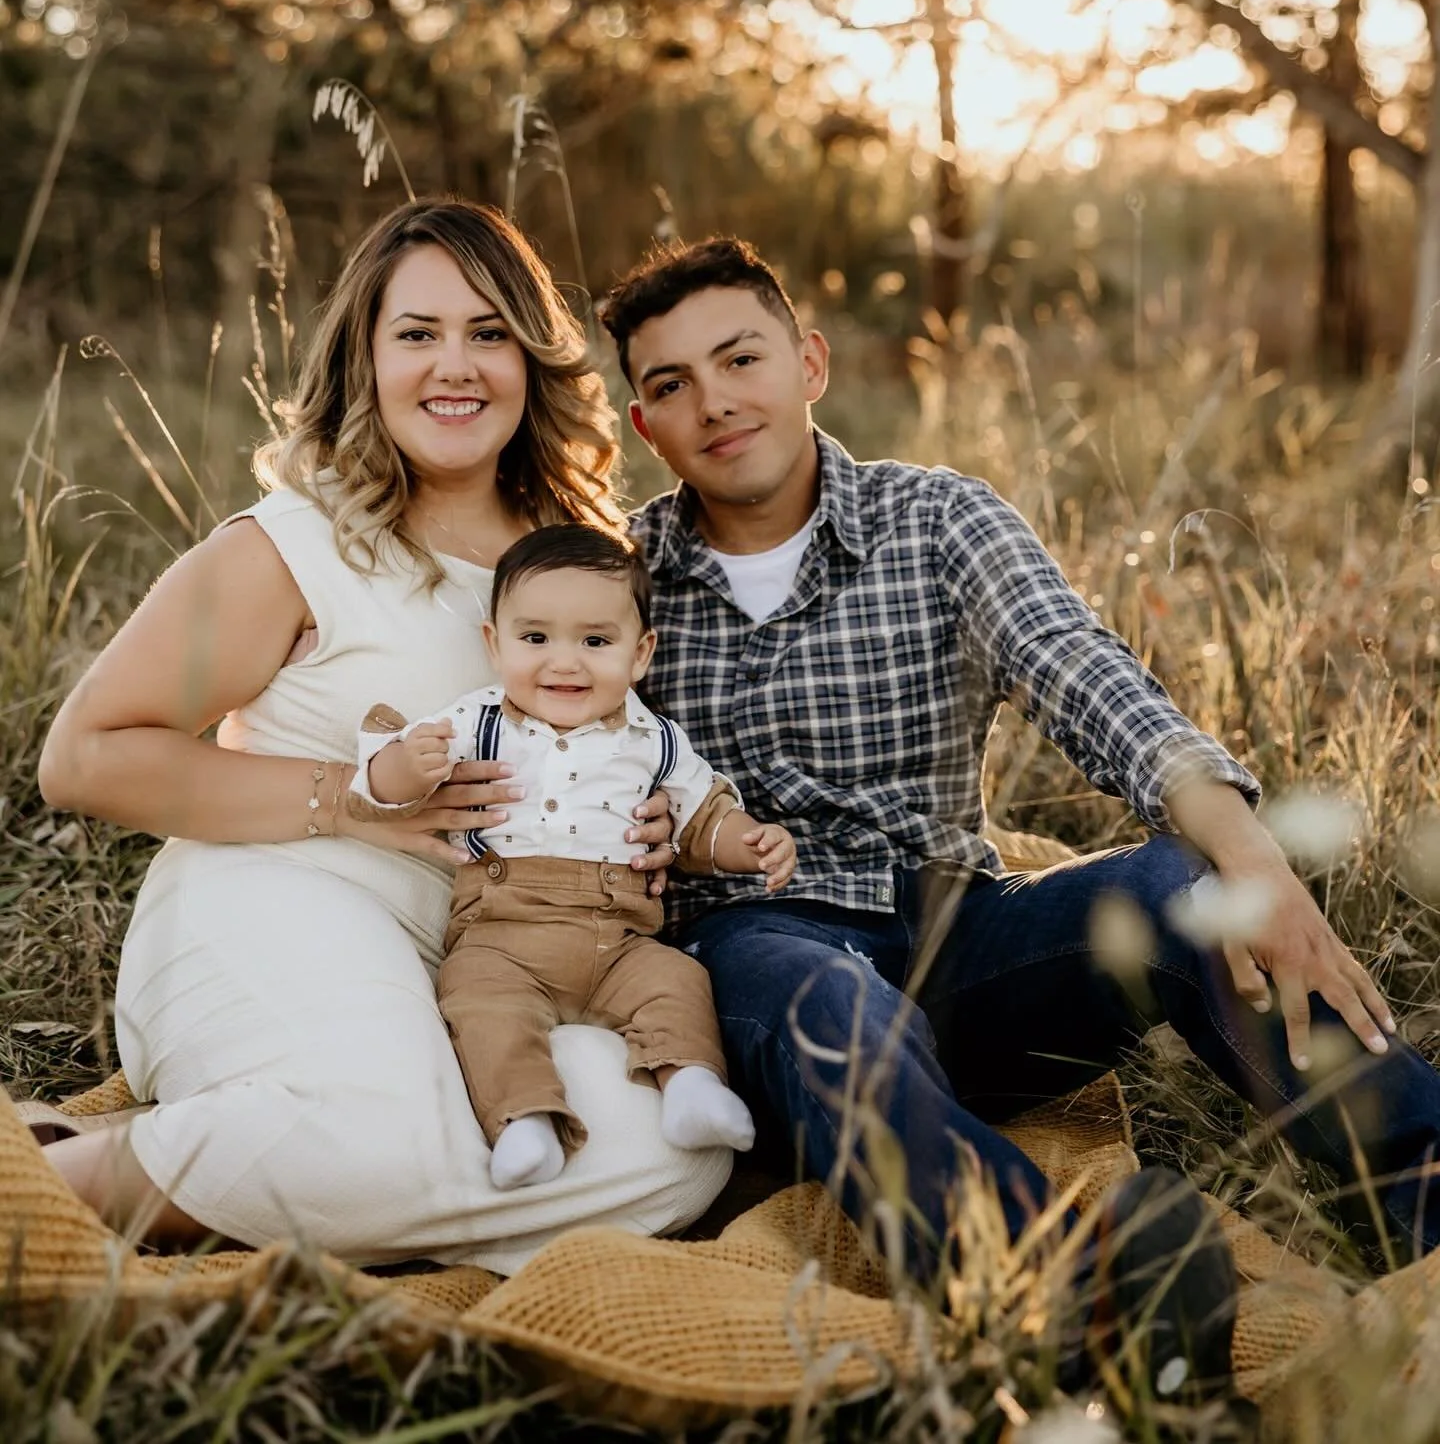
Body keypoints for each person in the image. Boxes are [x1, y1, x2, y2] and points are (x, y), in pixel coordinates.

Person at [598, 236, 1440, 1393]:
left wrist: (1253, 859)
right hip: (761, 954)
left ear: (810, 362)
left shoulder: (938, 521)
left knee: (1184, 889)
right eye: (670, 384)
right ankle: (1083, 1294)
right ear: (644, 424)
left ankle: (1422, 1197)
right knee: (825, 996)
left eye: (739, 358)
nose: (714, 402)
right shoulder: (619, 576)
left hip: (959, 936)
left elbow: (1082, 675)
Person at [33, 199, 731, 1272]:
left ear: (532, 361)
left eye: (489, 332)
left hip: (495, 964)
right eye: (418, 334)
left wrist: (653, 822)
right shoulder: (295, 546)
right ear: (366, 356)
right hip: (280, 905)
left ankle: (253, 1161)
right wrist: (346, 801)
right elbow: (83, 756)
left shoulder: (582, 558)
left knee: (669, 1155)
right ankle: (44, 1183)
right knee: (375, 1136)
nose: (456, 366)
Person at [349, 522, 795, 1191]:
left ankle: (692, 1088)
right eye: (536, 639)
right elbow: (377, 787)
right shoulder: (479, 721)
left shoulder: (654, 739)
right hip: (502, 932)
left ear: (639, 654)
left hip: (619, 939)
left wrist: (749, 841)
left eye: (595, 641)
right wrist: (404, 768)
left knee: (677, 983)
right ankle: (526, 1120)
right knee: (477, 1000)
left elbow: (703, 817)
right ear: (494, 646)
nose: (565, 662)